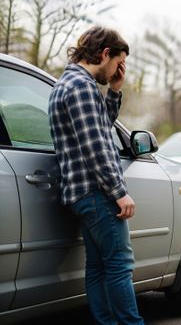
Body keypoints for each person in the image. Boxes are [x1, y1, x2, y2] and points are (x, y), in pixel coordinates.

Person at [48, 26, 144, 324]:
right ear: (105, 54)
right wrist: (119, 192)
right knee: (119, 264)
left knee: (99, 267)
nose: (118, 69)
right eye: (117, 63)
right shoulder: (83, 87)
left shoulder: (66, 84)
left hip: (82, 193)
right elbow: (96, 148)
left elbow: (99, 128)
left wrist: (114, 91)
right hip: (97, 192)